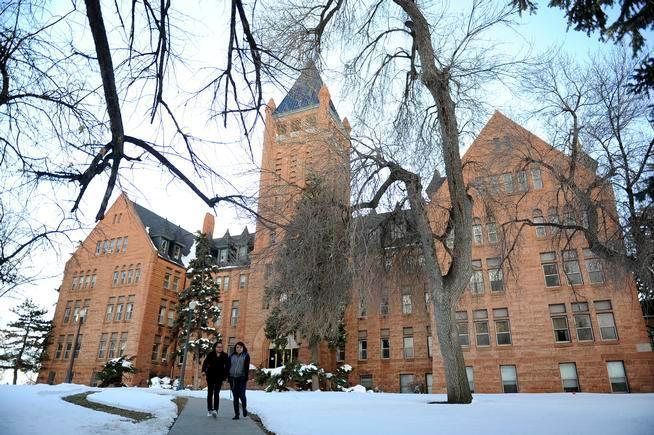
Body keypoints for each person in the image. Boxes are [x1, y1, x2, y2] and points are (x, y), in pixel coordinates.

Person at [202, 341, 230, 418]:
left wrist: (226, 377)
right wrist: (204, 371)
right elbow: (205, 363)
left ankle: (216, 410)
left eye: (221, 347)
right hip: (210, 376)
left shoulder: (225, 355)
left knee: (216, 393)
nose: (220, 348)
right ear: (215, 347)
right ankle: (209, 410)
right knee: (210, 393)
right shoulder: (211, 354)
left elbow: (227, 367)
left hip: (219, 377)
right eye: (218, 347)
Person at [228, 341, 250, 420]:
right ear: (235, 348)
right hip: (232, 378)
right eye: (237, 347)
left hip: (241, 378)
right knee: (235, 397)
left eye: (240, 347)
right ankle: (237, 414)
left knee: (242, 395)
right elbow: (228, 366)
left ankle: (244, 408)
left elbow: (247, 368)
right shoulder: (231, 356)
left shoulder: (246, 356)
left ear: (243, 348)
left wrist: (246, 377)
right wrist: (228, 377)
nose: (239, 349)